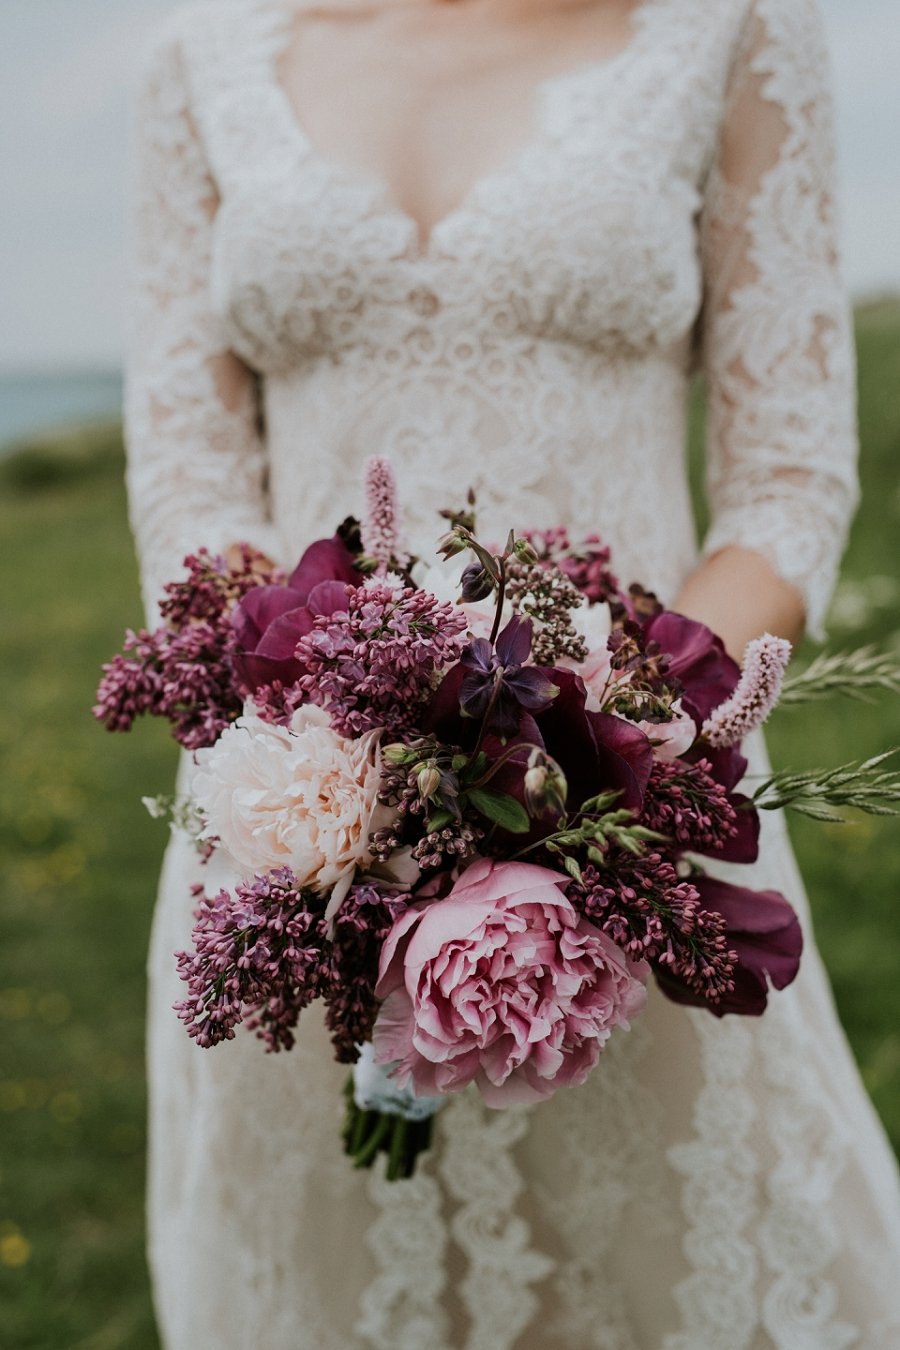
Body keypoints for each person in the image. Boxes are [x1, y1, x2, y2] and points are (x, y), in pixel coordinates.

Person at [124, 0, 900, 1344]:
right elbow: (190, 478)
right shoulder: (202, 58)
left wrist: (603, 743)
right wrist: (354, 767)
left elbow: (788, 476)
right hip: (295, 837)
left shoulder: (730, 30)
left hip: (636, 818)